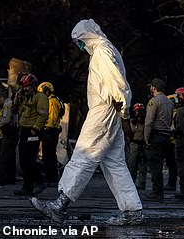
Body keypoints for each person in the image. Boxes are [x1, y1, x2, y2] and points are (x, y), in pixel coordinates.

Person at [32, 20, 143, 226]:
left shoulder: (102, 51)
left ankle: (60, 205)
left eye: (80, 41)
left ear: (88, 35)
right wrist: (122, 110)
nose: (80, 46)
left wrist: (123, 105)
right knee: (114, 163)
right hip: (112, 111)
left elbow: (117, 81)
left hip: (104, 110)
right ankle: (132, 210)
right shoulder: (108, 49)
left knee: (84, 154)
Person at [13, 73, 48, 196]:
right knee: (23, 160)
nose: (25, 89)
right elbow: (14, 110)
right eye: (23, 87)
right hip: (24, 131)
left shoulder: (40, 97)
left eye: (27, 86)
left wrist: (36, 128)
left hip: (33, 132)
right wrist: (17, 99)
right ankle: (27, 187)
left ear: (33, 86)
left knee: (29, 159)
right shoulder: (24, 98)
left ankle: (39, 182)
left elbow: (43, 114)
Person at [144, 78, 174, 201]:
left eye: (151, 86)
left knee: (155, 165)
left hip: (156, 136)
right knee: (161, 164)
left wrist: (146, 137)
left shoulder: (154, 101)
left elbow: (149, 121)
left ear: (154, 88)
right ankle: (159, 190)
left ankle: (157, 192)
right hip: (166, 136)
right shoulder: (169, 102)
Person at [38, 81, 63, 185]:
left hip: (50, 130)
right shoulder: (52, 100)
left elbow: (52, 118)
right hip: (50, 130)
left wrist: (46, 127)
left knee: (49, 155)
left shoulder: (52, 101)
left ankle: (51, 178)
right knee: (48, 155)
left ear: (47, 91)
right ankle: (50, 177)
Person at [0, 89, 18, 185]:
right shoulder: (10, 104)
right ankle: (11, 177)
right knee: (11, 157)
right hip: (12, 133)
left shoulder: (7, 105)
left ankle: (3, 178)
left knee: (4, 156)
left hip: (9, 133)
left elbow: (6, 120)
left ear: (1, 98)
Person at [126, 103, 148, 190]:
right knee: (132, 165)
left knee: (143, 166)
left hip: (143, 145)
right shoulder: (132, 122)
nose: (138, 113)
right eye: (136, 111)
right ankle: (131, 183)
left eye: (140, 111)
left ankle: (142, 184)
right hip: (134, 145)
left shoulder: (146, 122)